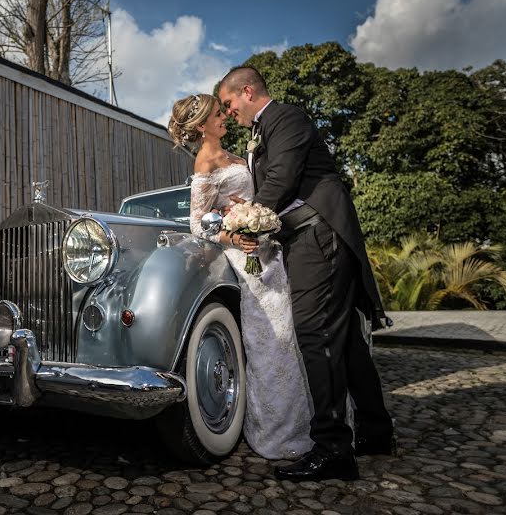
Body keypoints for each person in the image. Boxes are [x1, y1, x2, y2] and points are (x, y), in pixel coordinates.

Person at [218, 67, 395, 482]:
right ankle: (374, 432)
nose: (229, 112)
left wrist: (245, 222)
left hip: (319, 235)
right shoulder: (269, 127)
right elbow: (279, 182)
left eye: (229, 103)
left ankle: (333, 449)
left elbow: (282, 178)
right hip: (309, 237)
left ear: (247, 91)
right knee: (345, 338)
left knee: (317, 335)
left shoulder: (286, 117)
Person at [168, 93, 314, 460]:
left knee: (290, 335)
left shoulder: (232, 153)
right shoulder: (205, 162)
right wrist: (234, 234)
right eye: (218, 115)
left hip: (267, 251)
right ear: (201, 126)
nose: (225, 118)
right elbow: (198, 224)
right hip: (245, 257)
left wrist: (250, 216)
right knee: (269, 340)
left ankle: (309, 422)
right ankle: (276, 433)